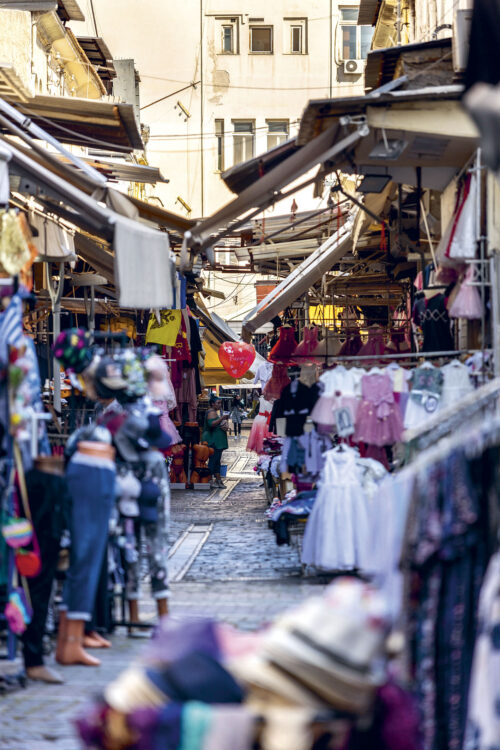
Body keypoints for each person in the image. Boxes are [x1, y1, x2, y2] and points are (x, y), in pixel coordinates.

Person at [202, 395, 228, 489]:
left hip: (217, 441)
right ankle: (209, 479)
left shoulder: (214, 412)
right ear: (213, 404)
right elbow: (211, 424)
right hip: (213, 440)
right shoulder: (211, 412)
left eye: (220, 403)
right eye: (218, 403)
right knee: (213, 461)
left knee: (217, 461)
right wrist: (222, 418)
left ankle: (218, 479)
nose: (220, 405)